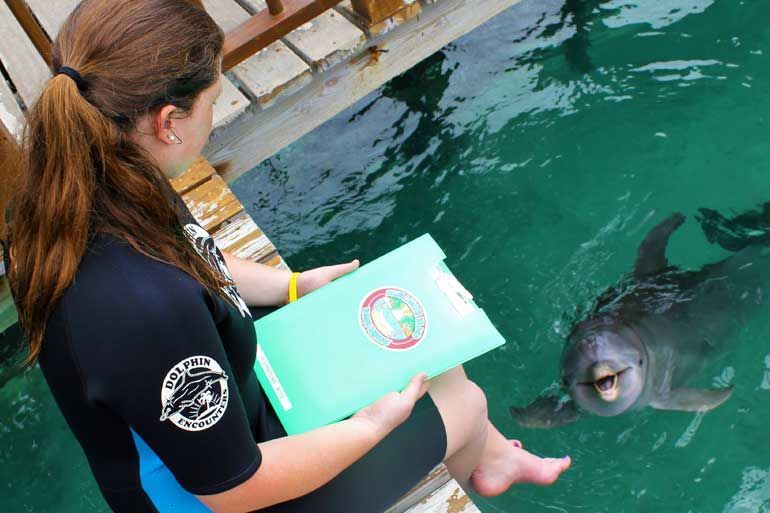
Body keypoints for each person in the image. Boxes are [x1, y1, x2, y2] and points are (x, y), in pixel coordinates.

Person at [1, 1, 571, 512]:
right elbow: (233, 489)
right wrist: (372, 427)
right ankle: (482, 454)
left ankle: (488, 455)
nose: (214, 116)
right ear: (168, 122)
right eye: (213, 101)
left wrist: (295, 286)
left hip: (231, 413)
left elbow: (200, 258)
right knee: (464, 402)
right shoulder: (143, 307)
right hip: (221, 495)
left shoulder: (101, 176)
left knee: (429, 340)